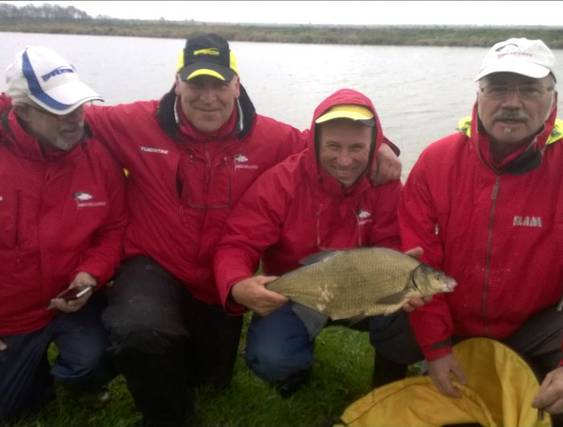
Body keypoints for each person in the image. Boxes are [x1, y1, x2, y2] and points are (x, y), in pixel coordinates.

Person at [74, 33, 403, 426]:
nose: (208, 96)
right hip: (153, 262)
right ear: (177, 82)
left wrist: (383, 144)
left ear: (236, 84)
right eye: (196, 83)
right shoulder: (132, 122)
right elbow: (68, 112)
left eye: (219, 83)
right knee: (141, 330)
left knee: (212, 379)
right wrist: (15, 107)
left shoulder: (275, 138)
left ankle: (388, 391)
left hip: (211, 278)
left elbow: (332, 143)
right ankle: (166, 415)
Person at [214, 88, 423, 397]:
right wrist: (236, 284)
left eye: (357, 148)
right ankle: (295, 367)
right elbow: (237, 242)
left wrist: (402, 270)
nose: (344, 160)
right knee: (271, 358)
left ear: (375, 145)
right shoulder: (282, 182)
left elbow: (391, 243)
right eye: (333, 146)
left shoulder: (385, 183)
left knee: (411, 314)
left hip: (363, 289)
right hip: (300, 293)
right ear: (314, 142)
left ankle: (386, 388)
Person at [397, 37, 563, 418]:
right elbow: (419, 263)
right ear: (479, 95)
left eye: (529, 90)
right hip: (452, 316)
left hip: (534, 321)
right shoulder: (436, 161)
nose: (512, 103)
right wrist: (437, 350)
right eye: (498, 88)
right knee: (391, 323)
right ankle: (395, 377)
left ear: (552, 97)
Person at [0, 46, 127, 422]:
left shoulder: (98, 158)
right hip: (8, 315)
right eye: (58, 111)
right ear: (21, 111)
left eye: (78, 105)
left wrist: (91, 274)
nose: (75, 120)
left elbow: (115, 228)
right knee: (12, 410)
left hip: (73, 305)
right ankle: (32, 375)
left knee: (101, 354)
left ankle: (80, 380)